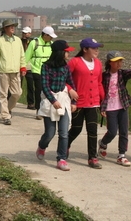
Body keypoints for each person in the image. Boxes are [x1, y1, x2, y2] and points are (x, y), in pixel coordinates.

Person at [98, 51, 131, 166]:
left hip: (123, 105)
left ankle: (122, 155)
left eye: (121, 61)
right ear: (110, 63)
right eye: (116, 61)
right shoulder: (104, 76)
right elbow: (101, 93)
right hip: (110, 107)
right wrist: (102, 108)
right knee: (112, 131)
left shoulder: (122, 74)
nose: (119, 64)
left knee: (124, 131)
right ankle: (103, 143)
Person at [35, 40, 76, 171]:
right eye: (66, 52)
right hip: (50, 101)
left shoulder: (66, 67)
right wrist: (53, 100)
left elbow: (71, 83)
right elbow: (45, 86)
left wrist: (74, 101)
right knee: (50, 133)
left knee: (64, 133)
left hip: (63, 100)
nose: (68, 54)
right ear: (60, 53)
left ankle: (61, 158)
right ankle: (42, 146)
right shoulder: (46, 67)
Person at [67, 38, 104, 169]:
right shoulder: (75, 62)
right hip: (79, 102)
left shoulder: (98, 63)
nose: (97, 50)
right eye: (94, 48)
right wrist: (70, 90)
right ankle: (66, 144)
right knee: (76, 128)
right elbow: (64, 78)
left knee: (92, 130)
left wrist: (103, 101)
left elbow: (99, 83)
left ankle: (92, 158)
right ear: (85, 49)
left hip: (93, 102)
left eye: (97, 48)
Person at [0, 20, 27, 125]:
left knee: (17, 93)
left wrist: (23, 67)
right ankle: (5, 116)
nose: (12, 28)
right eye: (9, 26)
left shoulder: (18, 40)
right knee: (3, 94)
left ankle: (7, 108)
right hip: (3, 71)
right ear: (5, 29)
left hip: (15, 71)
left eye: (13, 26)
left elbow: (22, 55)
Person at [25, 26, 57, 118]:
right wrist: (23, 68)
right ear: (45, 35)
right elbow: (27, 56)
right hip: (36, 70)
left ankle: (47, 110)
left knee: (48, 91)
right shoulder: (34, 43)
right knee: (39, 90)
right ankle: (39, 110)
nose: (51, 38)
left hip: (48, 71)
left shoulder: (51, 44)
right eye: (50, 36)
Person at [21, 26, 36, 110]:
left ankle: (31, 103)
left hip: (30, 67)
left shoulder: (33, 42)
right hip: (20, 66)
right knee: (17, 86)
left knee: (30, 86)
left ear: (30, 34)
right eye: (23, 33)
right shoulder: (19, 41)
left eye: (26, 33)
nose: (24, 34)